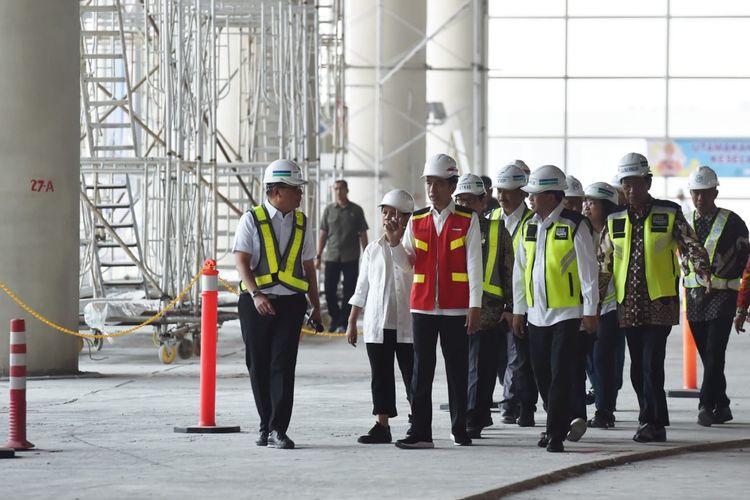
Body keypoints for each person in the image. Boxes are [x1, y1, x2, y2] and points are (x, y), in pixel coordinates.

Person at [598, 152, 710, 444]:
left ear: (648, 181)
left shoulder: (669, 212)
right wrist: (593, 300)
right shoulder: (614, 220)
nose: (631, 190)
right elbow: (604, 264)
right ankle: (654, 415)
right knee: (637, 366)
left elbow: (691, 245)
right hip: (628, 304)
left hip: (660, 302)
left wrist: (703, 270)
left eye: (636, 184)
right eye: (626, 185)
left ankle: (651, 421)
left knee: (651, 362)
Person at [388, 154, 483, 449]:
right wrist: (394, 243)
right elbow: (407, 265)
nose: (431, 189)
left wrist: (475, 305)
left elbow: (474, 265)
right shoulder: (416, 221)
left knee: (456, 370)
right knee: (421, 371)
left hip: (456, 308)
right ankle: (421, 432)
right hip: (423, 307)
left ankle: (459, 427)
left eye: (438, 183)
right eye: (429, 182)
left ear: (452, 186)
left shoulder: (468, 220)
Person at [233, 159, 322, 450]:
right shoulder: (252, 219)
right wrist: (256, 294)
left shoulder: (301, 221)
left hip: (291, 305)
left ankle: (278, 429)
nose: (300, 194)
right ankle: (265, 425)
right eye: (295, 189)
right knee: (257, 365)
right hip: (255, 304)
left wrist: (316, 306)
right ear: (277, 190)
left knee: (283, 366)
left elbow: (309, 266)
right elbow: (242, 262)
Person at [512, 165, 599, 453]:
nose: (530, 200)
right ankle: (556, 421)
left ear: (552, 196)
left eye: (535, 195)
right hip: (536, 314)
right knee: (542, 374)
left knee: (561, 372)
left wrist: (590, 311)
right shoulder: (529, 225)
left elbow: (589, 271)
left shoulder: (576, 224)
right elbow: (520, 270)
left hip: (568, 313)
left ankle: (554, 434)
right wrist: (519, 309)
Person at [346, 190, 416, 444]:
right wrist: (353, 320)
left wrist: (396, 241)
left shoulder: (415, 244)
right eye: (385, 212)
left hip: (407, 324)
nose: (388, 217)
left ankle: (418, 420)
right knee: (381, 375)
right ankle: (382, 425)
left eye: (394, 213)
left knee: (412, 375)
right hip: (378, 323)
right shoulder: (373, 249)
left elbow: (408, 266)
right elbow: (362, 287)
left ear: (407, 217)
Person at [683, 166, 749, 426]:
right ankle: (722, 404)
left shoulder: (733, 222)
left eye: (705, 193)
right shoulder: (684, 221)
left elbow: (746, 259)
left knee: (714, 350)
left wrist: (744, 303)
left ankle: (705, 404)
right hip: (695, 297)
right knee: (708, 354)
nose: (700, 198)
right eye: (695, 193)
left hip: (723, 296)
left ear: (715, 192)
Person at [454, 174, 514, 439]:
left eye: (469, 200)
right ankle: (471, 414)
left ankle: (474, 418)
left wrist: (511, 307)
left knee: (482, 368)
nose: (464, 205)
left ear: (483, 201)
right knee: (461, 367)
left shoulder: (497, 230)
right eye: (460, 200)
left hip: (489, 311)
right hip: (455, 308)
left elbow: (509, 270)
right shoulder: (452, 229)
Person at [491, 164, 539, 427]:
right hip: (494, 302)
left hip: (522, 301)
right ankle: (511, 401)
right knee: (501, 358)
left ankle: (522, 405)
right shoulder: (491, 219)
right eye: (499, 190)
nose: (502, 196)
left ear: (522, 192)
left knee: (521, 358)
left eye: (508, 191)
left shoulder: (533, 223)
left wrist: (517, 306)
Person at [582, 182, 624, 428]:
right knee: (590, 359)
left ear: (606, 207)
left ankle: (604, 410)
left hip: (610, 307)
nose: (587, 206)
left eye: (593, 202)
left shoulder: (618, 233)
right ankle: (602, 402)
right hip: (586, 307)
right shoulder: (581, 231)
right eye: (586, 201)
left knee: (603, 359)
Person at [317, 179, 369, 332]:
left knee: (350, 290)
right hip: (332, 256)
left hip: (350, 257)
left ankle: (343, 322)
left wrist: (367, 256)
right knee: (329, 289)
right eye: (336, 189)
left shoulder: (357, 210)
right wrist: (318, 256)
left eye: (341, 188)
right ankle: (335, 318)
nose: (338, 191)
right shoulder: (328, 210)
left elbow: (363, 233)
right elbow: (323, 234)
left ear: (347, 190)